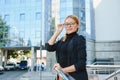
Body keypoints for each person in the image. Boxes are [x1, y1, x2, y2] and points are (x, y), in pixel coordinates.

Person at [45, 15, 88, 80]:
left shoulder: (79, 39)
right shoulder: (62, 40)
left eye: (72, 23)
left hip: (75, 77)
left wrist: (62, 70)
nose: (69, 26)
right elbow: (49, 47)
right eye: (67, 24)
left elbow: (81, 64)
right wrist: (58, 31)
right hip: (62, 76)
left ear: (77, 25)